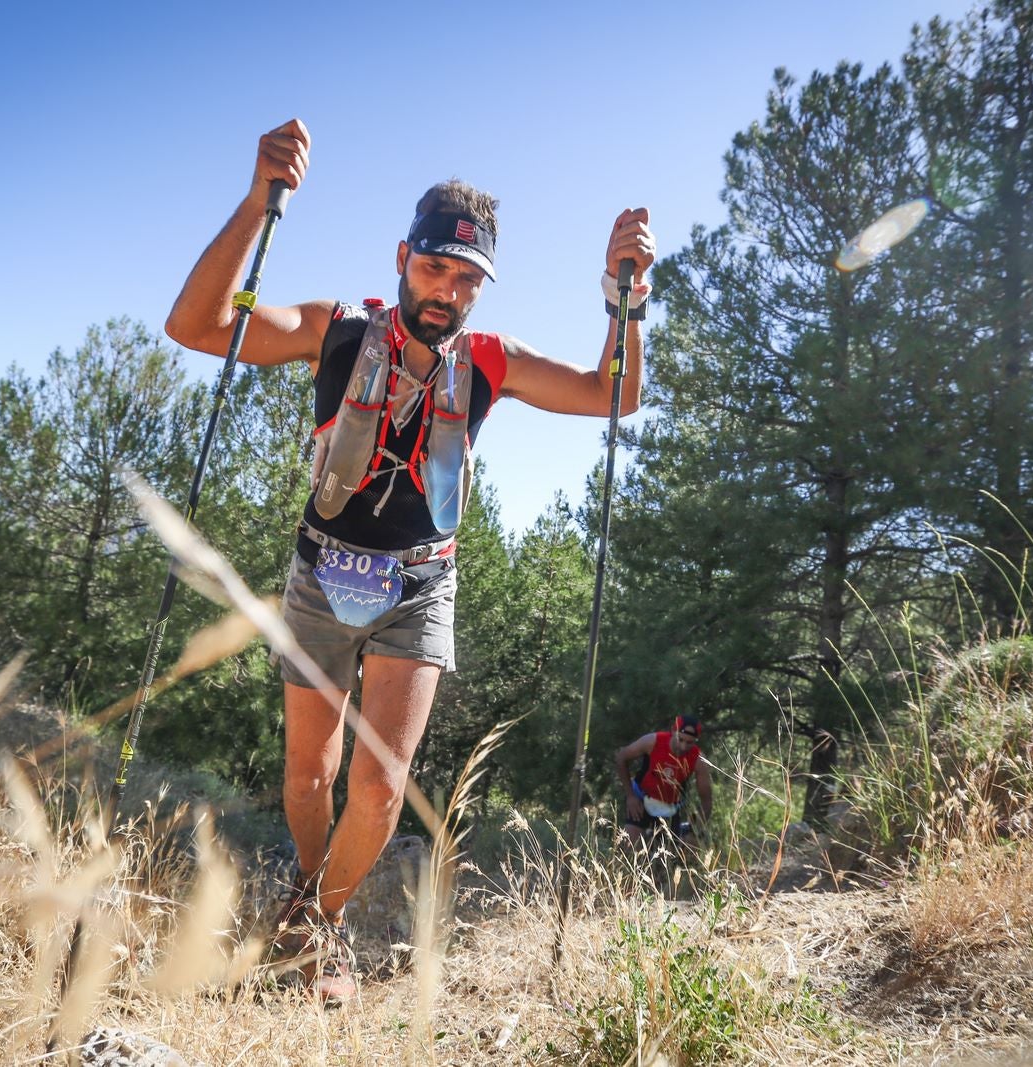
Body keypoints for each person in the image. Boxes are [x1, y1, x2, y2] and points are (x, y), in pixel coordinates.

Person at [164, 118, 656, 1004]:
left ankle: (319, 924)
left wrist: (628, 302)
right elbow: (196, 326)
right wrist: (254, 202)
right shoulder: (337, 330)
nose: (448, 291)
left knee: (382, 785)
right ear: (404, 256)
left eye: (468, 279)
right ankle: (307, 913)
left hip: (421, 583)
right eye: (436, 268)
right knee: (308, 777)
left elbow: (614, 394)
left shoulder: (489, 363)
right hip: (324, 570)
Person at [614, 715, 713, 852]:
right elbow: (621, 758)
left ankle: (682, 832)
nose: (683, 746)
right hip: (641, 799)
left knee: (665, 862)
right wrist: (630, 796)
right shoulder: (652, 741)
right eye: (681, 739)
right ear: (673, 731)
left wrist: (695, 830)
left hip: (670, 809)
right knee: (629, 849)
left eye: (690, 743)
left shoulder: (698, 760)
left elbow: (706, 800)